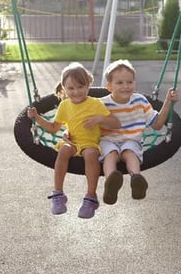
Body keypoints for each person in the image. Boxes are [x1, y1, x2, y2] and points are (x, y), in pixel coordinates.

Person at [27, 62, 121, 219]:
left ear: (88, 85)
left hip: (90, 142)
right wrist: (36, 117)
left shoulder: (95, 104)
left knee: (91, 154)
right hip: (71, 142)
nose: (76, 92)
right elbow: (53, 128)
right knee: (63, 150)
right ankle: (58, 194)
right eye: (71, 88)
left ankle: (90, 197)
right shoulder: (64, 105)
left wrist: (99, 119)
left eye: (80, 86)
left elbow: (116, 124)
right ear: (64, 88)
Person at [99, 59, 179, 205]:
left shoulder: (140, 101)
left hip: (131, 140)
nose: (126, 86)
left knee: (130, 153)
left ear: (135, 83)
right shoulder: (101, 104)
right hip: (107, 139)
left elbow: (157, 124)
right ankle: (111, 182)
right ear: (109, 86)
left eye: (130, 82)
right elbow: (86, 122)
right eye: (120, 83)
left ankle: (136, 180)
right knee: (111, 154)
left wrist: (168, 102)